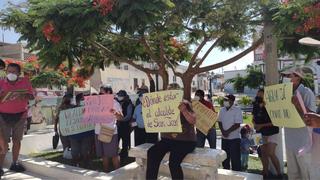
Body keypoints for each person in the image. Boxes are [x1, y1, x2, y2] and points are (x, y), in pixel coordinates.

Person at [146, 83, 197, 180]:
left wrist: (184, 111)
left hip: (185, 141)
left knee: (173, 163)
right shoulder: (162, 104)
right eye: (169, 91)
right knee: (152, 153)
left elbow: (193, 120)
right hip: (168, 140)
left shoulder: (185, 103)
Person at [281, 67, 317, 180]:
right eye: (285, 76)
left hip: (303, 141)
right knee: (292, 174)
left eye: (288, 76)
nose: (285, 78)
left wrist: (298, 104)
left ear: (298, 78)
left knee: (305, 173)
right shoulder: (283, 93)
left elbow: (312, 118)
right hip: (289, 139)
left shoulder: (306, 92)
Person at [0, 63, 34, 176]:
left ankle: (14, 163)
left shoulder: (25, 81)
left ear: (19, 73)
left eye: (13, 72)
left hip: (20, 115)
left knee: (17, 141)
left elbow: (31, 96)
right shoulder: (1, 82)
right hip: (3, 116)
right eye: (8, 71)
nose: (10, 74)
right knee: (3, 143)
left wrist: (24, 96)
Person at [252, 89, 281, 178]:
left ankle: (279, 174)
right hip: (258, 132)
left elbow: (276, 121)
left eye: (261, 95)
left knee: (270, 153)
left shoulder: (272, 106)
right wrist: (255, 124)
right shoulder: (256, 105)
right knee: (262, 153)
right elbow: (253, 117)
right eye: (258, 95)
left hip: (271, 132)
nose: (258, 97)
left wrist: (261, 125)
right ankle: (265, 173)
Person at [95, 86, 123, 172]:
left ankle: (118, 175)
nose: (100, 95)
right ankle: (106, 173)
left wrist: (115, 113)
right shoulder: (97, 103)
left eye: (102, 93)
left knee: (114, 154)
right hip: (98, 131)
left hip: (110, 132)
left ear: (109, 92)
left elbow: (121, 118)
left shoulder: (115, 103)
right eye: (99, 93)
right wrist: (87, 112)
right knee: (104, 154)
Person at [68, 93, 94, 167]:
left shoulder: (90, 109)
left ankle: (86, 165)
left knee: (85, 152)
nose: (84, 101)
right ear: (77, 101)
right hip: (74, 136)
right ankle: (74, 165)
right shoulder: (71, 110)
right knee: (75, 153)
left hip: (86, 135)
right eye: (82, 99)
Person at [218, 94, 242, 171]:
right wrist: (223, 131)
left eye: (227, 100)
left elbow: (237, 124)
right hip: (224, 138)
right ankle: (226, 174)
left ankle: (237, 174)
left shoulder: (237, 110)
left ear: (232, 101)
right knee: (225, 159)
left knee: (235, 159)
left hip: (234, 139)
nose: (225, 101)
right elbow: (219, 121)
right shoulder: (222, 110)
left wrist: (227, 131)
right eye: (225, 100)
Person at [116, 90, 133, 159]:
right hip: (117, 126)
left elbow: (128, 116)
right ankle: (115, 154)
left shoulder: (128, 103)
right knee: (116, 141)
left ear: (124, 96)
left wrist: (121, 119)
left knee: (125, 141)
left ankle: (124, 155)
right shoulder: (116, 102)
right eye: (119, 95)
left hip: (125, 125)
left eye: (121, 95)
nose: (119, 97)